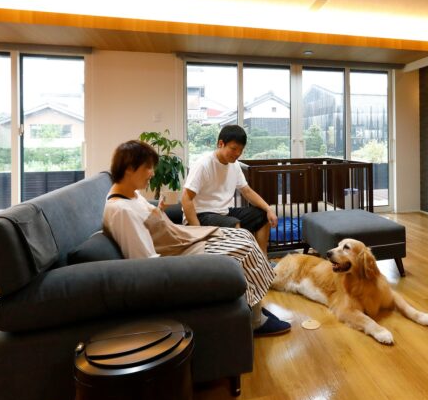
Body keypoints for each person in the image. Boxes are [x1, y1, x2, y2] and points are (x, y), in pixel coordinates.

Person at [102, 139, 290, 336]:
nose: (152, 173)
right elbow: (145, 262)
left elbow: (146, 223)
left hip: (180, 237)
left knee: (244, 235)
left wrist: (159, 211)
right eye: (148, 167)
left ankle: (254, 303)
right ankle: (256, 321)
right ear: (129, 168)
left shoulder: (131, 195)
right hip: (177, 251)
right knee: (243, 249)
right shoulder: (121, 211)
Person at [181, 125, 278, 255]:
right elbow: (186, 198)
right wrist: (198, 230)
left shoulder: (235, 165)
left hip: (223, 212)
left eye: (241, 150)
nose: (237, 154)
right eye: (233, 149)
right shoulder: (203, 164)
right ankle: (241, 261)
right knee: (233, 224)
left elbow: (247, 191)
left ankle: (263, 258)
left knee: (262, 215)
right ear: (221, 144)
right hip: (201, 214)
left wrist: (268, 209)